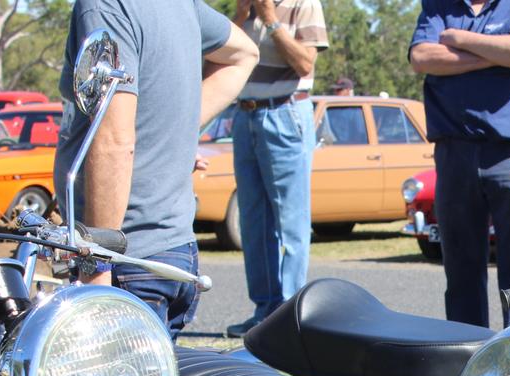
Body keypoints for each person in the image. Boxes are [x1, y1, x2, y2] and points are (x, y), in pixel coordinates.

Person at [55, 0, 258, 339]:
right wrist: (171, 136)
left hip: (129, 261)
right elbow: (244, 53)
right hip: (172, 255)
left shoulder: (105, 5)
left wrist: (97, 266)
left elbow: (115, 142)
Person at [408, 0, 510, 328]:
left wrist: (459, 39)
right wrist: (502, 56)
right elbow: (421, 57)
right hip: (454, 150)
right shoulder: (439, 5)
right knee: (461, 270)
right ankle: (467, 359)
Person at [225, 0, 330, 339]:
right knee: (253, 221)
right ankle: (265, 312)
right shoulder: (245, 7)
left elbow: (305, 63)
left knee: (291, 221)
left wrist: (271, 20)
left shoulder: (303, 4)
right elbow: (216, 59)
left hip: (284, 113)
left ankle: (289, 316)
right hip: (245, 115)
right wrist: (241, 17)